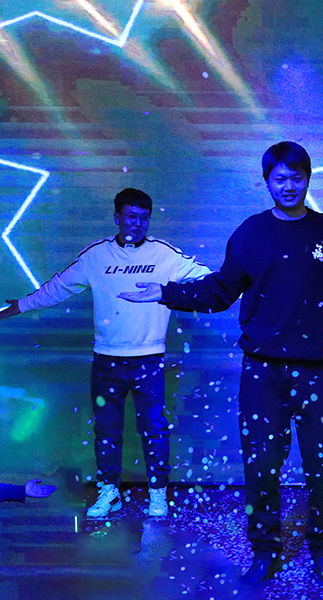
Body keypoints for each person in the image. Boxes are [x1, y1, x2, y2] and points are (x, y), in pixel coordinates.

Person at [118, 141, 323, 588]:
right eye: (280, 179)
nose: (289, 186)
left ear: (308, 178)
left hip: (319, 372)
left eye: (297, 177)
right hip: (263, 373)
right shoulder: (251, 233)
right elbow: (220, 290)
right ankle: (265, 552)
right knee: (261, 467)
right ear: (267, 182)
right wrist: (165, 292)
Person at [0, 188, 210, 519]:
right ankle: (109, 492)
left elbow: (209, 280)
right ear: (117, 218)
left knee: (154, 428)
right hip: (107, 361)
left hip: (149, 360)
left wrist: (247, 284)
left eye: (144, 218)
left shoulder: (164, 254)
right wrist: (16, 307)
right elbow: (56, 289)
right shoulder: (96, 256)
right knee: (107, 430)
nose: (137, 223)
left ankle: (158, 493)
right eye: (131, 216)